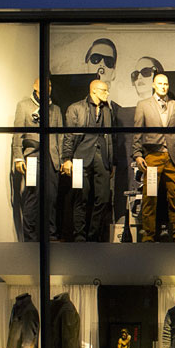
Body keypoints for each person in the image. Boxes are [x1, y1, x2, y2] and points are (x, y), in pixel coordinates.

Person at [133, 74, 175, 242]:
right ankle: (148, 236)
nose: (163, 86)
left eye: (166, 84)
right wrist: (137, 154)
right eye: (160, 83)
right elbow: (137, 131)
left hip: (172, 158)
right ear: (153, 84)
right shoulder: (143, 105)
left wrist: (174, 145)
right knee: (149, 198)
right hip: (152, 157)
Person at [62, 80, 115, 242]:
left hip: (101, 157)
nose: (107, 93)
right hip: (80, 157)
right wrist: (67, 159)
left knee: (103, 198)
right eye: (104, 90)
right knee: (80, 197)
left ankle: (93, 235)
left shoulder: (107, 110)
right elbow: (69, 136)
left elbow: (110, 137)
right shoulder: (76, 108)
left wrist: (111, 161)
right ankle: (79, 235)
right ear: (94, 90)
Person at [11, 78, 63, 241]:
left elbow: (60, 136)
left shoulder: (55, 109)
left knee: (51, 198)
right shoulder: (24, 105)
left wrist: (62, 159)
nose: (48, 87)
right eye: (43, 84)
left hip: (51, 157)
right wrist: (18, 157)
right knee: (32, 197)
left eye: (50, 85)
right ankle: (30, 238)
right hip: (32, 156)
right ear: (35, 86)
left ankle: (51, 235)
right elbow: (18, 133)